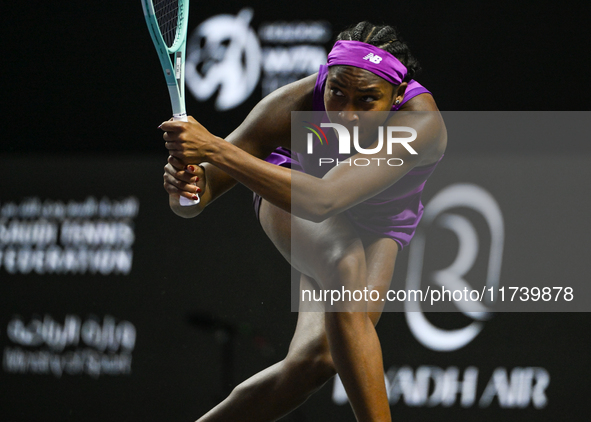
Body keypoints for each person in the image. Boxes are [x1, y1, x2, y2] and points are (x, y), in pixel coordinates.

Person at [161, 21, 446, 422]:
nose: (346, 114)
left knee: (319, 360)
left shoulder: (421, 124)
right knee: (343, 264)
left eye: (366, 101)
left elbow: (326, 199)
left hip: (375, 220)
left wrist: (214, 148)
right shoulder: (292, 105)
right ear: (325, 78)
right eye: (337, 93)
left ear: (397, 95)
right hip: (296, 191)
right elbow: (196, 199)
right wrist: (186, 186)